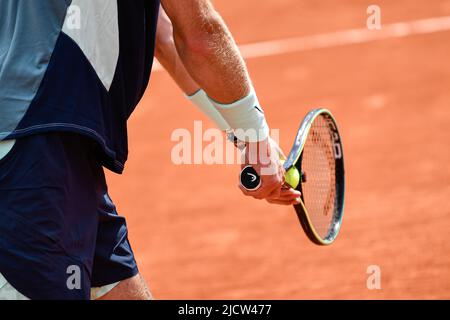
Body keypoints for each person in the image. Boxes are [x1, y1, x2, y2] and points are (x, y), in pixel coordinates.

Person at [0, 0, 300, 300]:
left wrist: (247, 138)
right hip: (31, 151)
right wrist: (256, 140)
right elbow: (199, 32)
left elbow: (165, 37)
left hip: (58, 150)